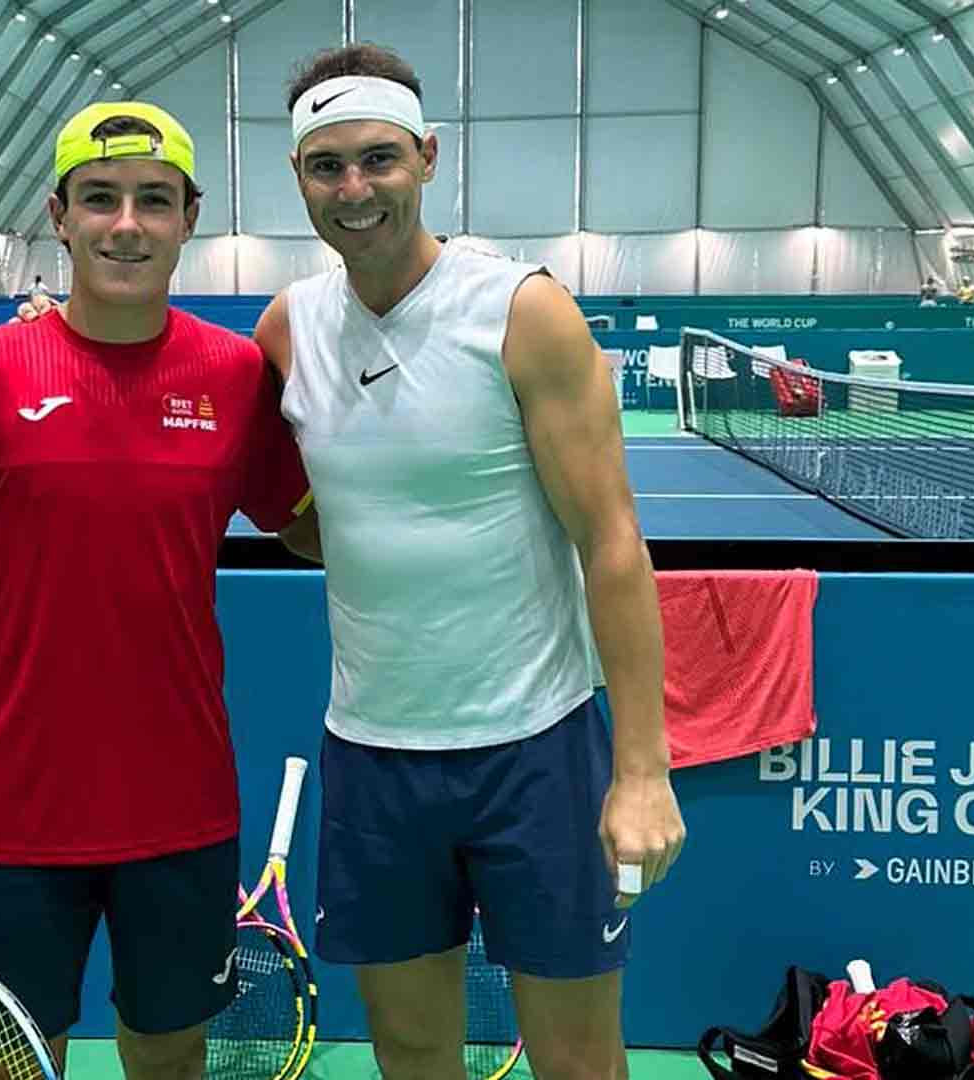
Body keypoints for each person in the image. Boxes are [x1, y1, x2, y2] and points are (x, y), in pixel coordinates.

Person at [257, 44, 685, 1080]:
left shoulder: (522, 312)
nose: (354, 190)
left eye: (379, 160)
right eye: (327, 167)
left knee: (578, 1058)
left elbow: (613, 543)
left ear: (429, 158)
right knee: (410, 1051)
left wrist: (641, 768)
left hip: (536, 752)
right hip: (372, 754)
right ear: (300, 176)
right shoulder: (287, 329)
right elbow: (305, 514)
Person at [0, 100, 313, 1079]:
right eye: (100, 198)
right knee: (15, 1064)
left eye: (154, 201)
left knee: (169, 1055)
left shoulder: (238, 376)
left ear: (189, 218)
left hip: (183, 807)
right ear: (58, 216)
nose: (127, 224)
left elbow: (320, 530)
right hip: (19, 814)